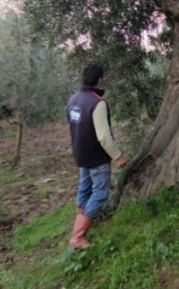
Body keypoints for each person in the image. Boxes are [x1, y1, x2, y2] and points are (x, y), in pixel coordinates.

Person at [66, 64, 128, 249]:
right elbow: (103, 136)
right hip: (96, 157)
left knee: (84, 190)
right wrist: (118, 156)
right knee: (100, 194)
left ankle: (80, 228)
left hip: (81, 154)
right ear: (100, 80)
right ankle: (77, 237)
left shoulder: (73, 100)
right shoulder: (97, 103)